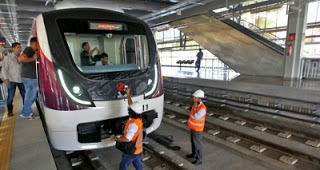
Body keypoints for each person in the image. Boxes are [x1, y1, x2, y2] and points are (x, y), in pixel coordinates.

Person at [110, 87, 143, 170]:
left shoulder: (133, 125)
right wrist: (128, 94)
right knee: (138, 164)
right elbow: (131, 104)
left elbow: (127, 139)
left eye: (130, 109)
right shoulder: (138, 119)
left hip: (132, 150)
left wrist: (115, 138)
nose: (128, 109)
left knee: (123, 165)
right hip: (138, 149)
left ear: (132, 112)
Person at [2, 42, 25, 117]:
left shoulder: (22, 57)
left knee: (24, 95)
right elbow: (4, 69)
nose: (20, 49)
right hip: (11, 80)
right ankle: (10, 111)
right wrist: (5, 78)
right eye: (18, 47)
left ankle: (26, 109)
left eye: (20, 47)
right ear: (13, 48)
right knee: (10, 97)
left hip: (21, 80)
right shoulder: (8, 58)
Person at [18, 37, 39, 120]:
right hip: (30, 77)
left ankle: (25, 112)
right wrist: (33, 58)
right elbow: (20, 59)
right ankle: (26, 113)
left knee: (32, 95)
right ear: (35, 44)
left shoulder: (31, 51)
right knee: (31, 95)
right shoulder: (29, 50)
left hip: (30, 77)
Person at [186, 89, 207, 165]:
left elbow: (196, 117)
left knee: (198, 145)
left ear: (199, 98)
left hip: (197, 130)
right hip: (192, 128)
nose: (193, 98)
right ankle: (193, 154)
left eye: (195, 97)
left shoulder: (202, 108)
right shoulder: (195, 104)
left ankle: (199, 160)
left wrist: (194, 108)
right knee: (193, 142)